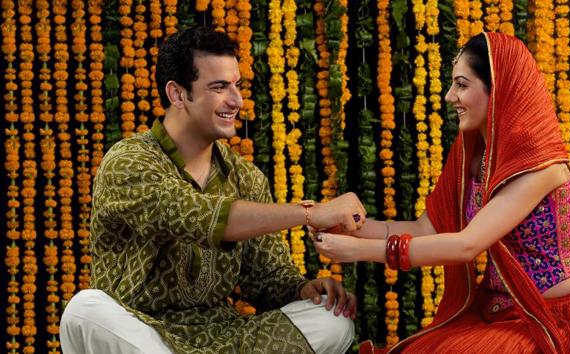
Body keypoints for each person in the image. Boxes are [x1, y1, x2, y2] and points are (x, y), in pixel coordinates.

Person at [313, 32, 570, 353]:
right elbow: (425, 229)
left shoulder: (539, 167)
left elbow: (467, 244)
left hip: (551, 323)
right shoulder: (475, 155)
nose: (450, 97)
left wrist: (356, 251)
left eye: (461, 85)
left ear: (499, 90)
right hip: (498, 313)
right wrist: (350, 228)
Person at [60, 26, 365, 354]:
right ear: (178, 94)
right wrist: (309, 212)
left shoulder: (245, 177)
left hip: (225, 338)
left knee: (332, 319)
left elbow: (266, 278)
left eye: (237, 85)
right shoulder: (130, 162)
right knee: (85, 311)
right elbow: (195, 215)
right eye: (219, 87)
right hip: (143, 333)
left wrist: (305, 290)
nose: (236, 100)